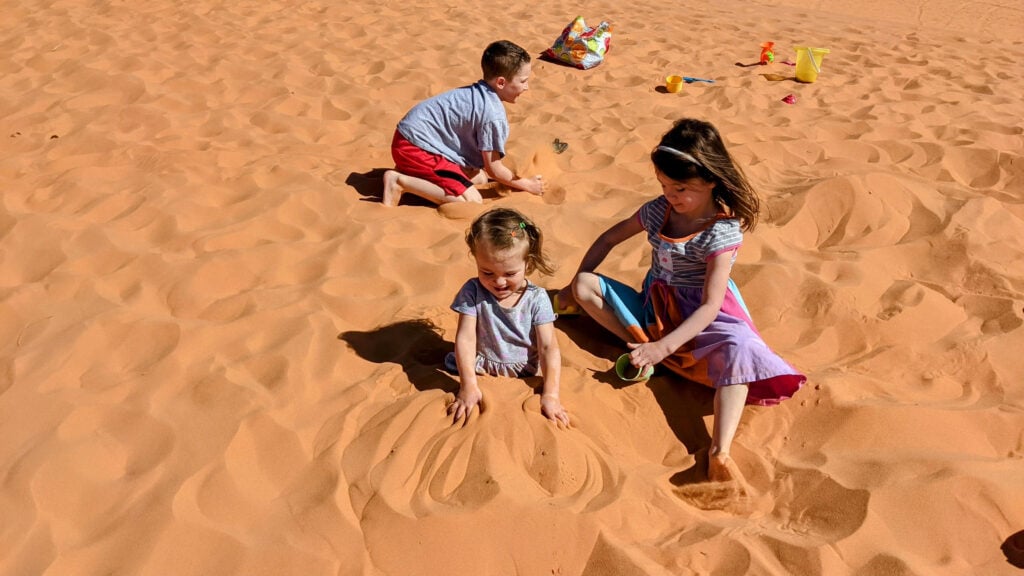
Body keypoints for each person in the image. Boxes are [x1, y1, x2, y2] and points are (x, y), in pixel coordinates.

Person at [556, 118, 805, 482]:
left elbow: (710, 306)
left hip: (704, 317)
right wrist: (572, 283)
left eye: (680, 188)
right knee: (584, 286)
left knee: (740, 352)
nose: (670, 195)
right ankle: (641, 348)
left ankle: (719, 451)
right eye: (663, 185)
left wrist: (664, 347)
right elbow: (608, 239)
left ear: (711, 180)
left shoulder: (721, 232)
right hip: (656, 309)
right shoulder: (659, 211)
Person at [382, 40, 548, 207]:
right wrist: (527, 185)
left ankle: (414, 172)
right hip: (413, 148)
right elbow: (494, 170)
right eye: (523, 81)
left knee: (480, 178)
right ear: (501, 82)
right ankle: (398, 181)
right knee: (471, 201)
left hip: (410, 140)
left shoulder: (480, 92)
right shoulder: (492, 114)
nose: (526, 87)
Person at [445, 208, 569, 427]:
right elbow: (465, 339)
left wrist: (551, 395)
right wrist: (468, 386)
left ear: (528, 264)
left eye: (510, 274)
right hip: (480, 367)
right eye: (487, 272)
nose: (499, 282)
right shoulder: (473, 291)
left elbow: (548, 346)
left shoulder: (537, 298)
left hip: (524, 374)